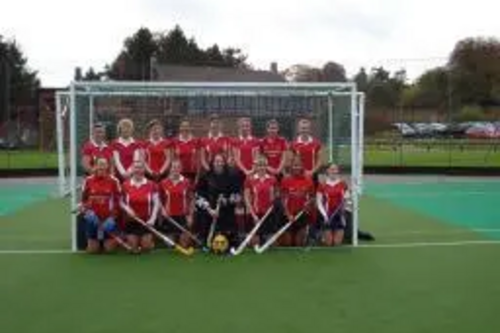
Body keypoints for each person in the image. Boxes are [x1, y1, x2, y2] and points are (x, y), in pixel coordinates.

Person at [195, 153, 242, 248]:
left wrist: (227, 201)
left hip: (227, 212)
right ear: (212, 163)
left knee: (230, 241)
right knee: (208, 242)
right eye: (217, 161)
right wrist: (209, 209)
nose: (219, 163)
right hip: (210, 214)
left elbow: (237, 196)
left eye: (221, 161)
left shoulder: (232, 176)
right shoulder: (205, 177)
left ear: (224, 163)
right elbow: (198, 197)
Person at [78, 158, 121, 254]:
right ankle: (96, 241)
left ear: (107, 166)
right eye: (99, 164)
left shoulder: (114, 181)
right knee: (93, 251)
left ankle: (117, 238)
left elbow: (118, 202)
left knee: (109, 250)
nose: (101, 167)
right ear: (95, 166)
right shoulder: (88, 180)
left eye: (104, 164)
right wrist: (87, 211)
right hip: (93, 219)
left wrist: (112, 217)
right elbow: (83, 200)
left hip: (108, 220)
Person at [120, 159, 159, 254]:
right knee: (133, 249)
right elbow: (120, 201)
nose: (138, 170)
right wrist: (127, 209)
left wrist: (152, 219)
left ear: (144, 170)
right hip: (131, 221)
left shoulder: (152, 184)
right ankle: (132, 241)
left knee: (146, 248)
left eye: (140, 167)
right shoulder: (125, 185)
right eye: (136, 167)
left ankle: (148, 242)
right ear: (132, 169)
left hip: (146, 221)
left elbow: (157, 203)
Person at [279, 155, 315, 246]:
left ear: (302, 166)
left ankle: (305, 235)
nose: (296, 167)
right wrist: (288, 214)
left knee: (298, 244)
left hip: (301, 214)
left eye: (298, 165)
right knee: (287, 243)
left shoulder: (308, 180)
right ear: (291, 166)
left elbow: (312, 197)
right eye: (294, 165)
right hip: (288, 215)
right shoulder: (285, 180)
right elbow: (282, 199)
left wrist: (309, 204)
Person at [244, 155, 279, 246]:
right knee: (254, 243)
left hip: (269, 214)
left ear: (266, 166)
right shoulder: (250, 179)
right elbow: (247, 199)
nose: (261, 167)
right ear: (256, 166)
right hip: (256, 214)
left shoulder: (273, 179)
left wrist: (273, 205)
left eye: (263, 165)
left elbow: (276, 195)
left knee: (272, 244)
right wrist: (253, 215)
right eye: (259, 165)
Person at [159, 159, 194, 248]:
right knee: (170, 245)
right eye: (174, 167)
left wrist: (190, 215)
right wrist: (162, 210)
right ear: (170, 169)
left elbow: (192, 199)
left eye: (178, 167)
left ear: (181, 169)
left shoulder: (186, 182)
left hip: (183, 216)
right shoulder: (163, 183)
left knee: (184, 245)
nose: (176, 169)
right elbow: (159, 200)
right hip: (169, 217)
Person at [316, 163, 348, 246]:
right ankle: (322, 238)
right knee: (328, 243)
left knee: (337, 243)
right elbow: (319, 202)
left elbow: (347, 199)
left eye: (335, 169)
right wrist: (325, 215)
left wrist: (347, 198)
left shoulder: (343, 184)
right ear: (328, 171)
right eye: (331, 169)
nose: (334, 171)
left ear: (338, 171)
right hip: (327, 215)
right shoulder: (322, 184)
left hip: (339, 216)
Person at [171, 119, 200, 184]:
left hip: (192, 174)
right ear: (180, 128)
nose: (185, 128)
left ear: (190, 128)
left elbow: (198, 160)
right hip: (179, 174)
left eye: (187, 126)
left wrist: (197, 176)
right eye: (183, 126)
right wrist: (172, 175)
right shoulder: (175, 141)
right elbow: (172, 160)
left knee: (191, 193)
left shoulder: (195, 141)